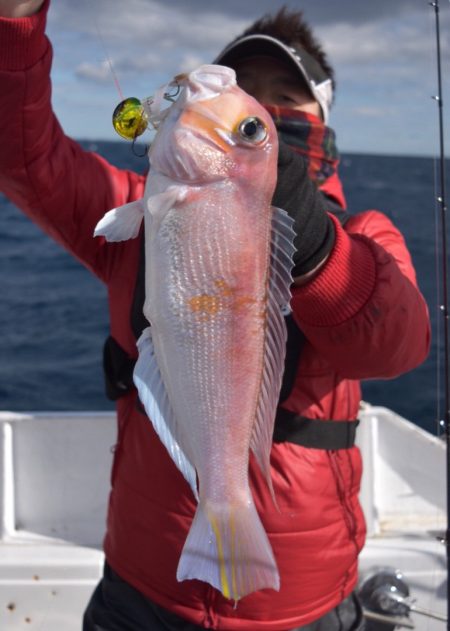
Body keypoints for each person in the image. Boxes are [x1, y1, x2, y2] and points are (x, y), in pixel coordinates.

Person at [0, 1, 430, 630]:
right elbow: (23, 157)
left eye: (287, 95)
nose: (265, 105)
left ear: (321, 120)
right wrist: (13, 22)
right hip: (142, 586)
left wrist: (311, 240)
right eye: (246, 87)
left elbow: (396, 344)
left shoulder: (362, 236)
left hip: (301, 606)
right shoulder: (138, 212)